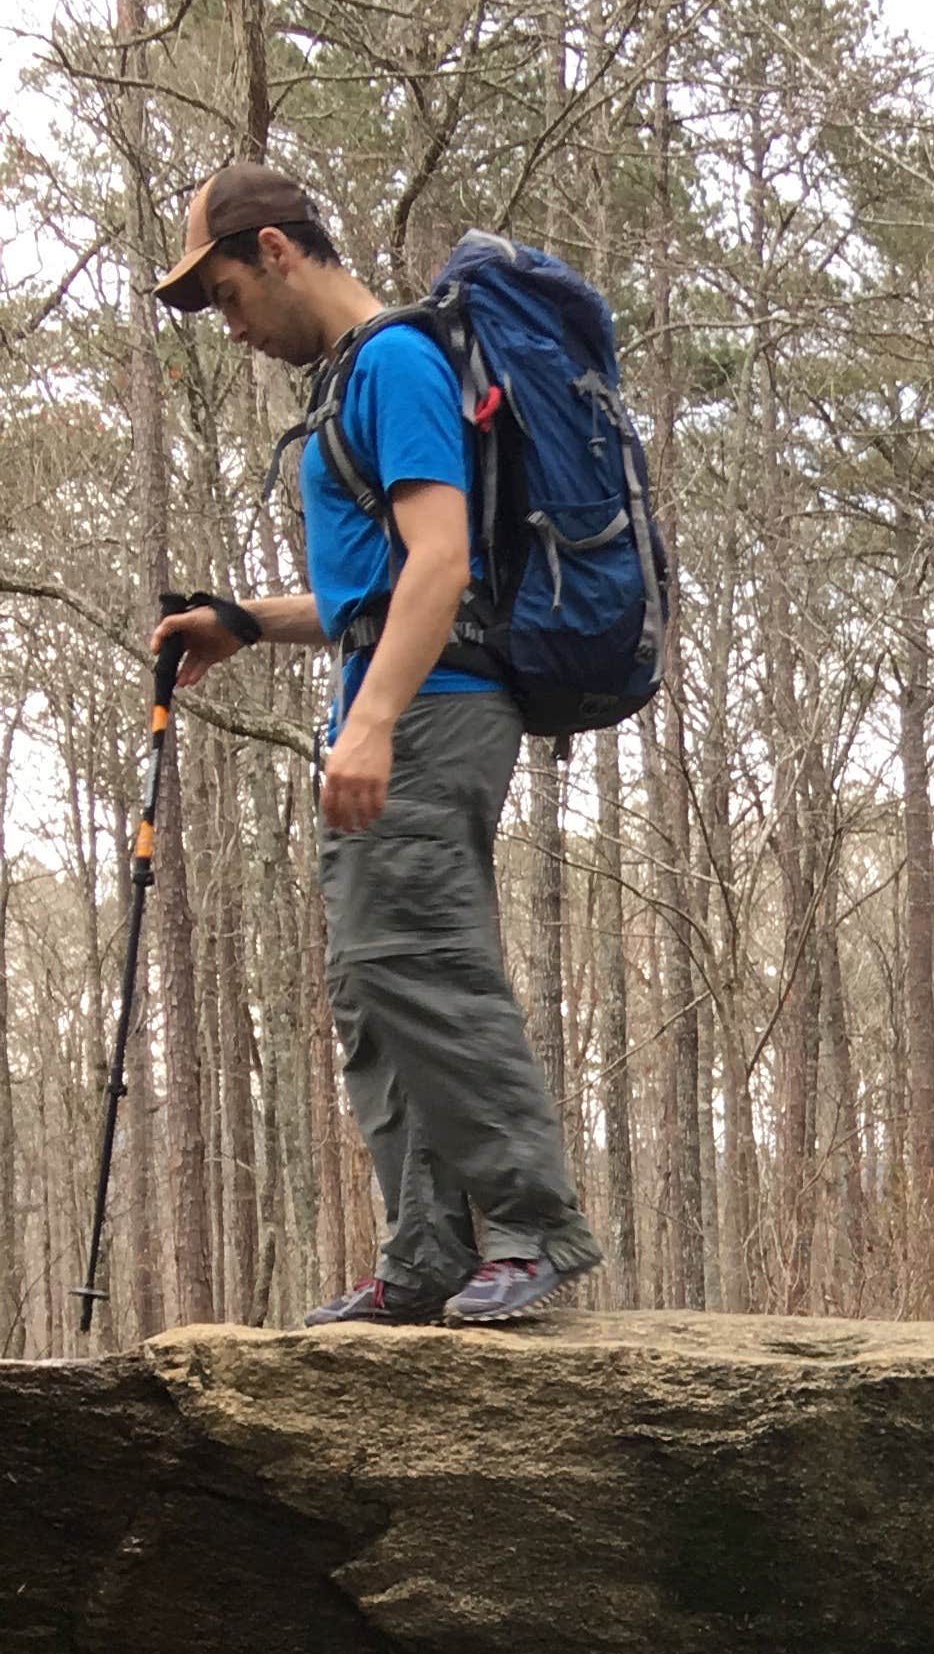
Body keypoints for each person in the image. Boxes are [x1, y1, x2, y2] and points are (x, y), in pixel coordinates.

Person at [150, 160, 604, 1328]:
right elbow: (378, 593)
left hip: (435, 710)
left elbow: (442, 563)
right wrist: (248, 622)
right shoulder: (359, 377)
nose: (232, 328)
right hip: (408, 703)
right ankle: (427, 1253)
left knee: (419, 955)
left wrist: (373, 720)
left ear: (276, 251)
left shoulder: (397, 361)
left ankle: (535, 1227)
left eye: (229, 296)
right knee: (371, 982)